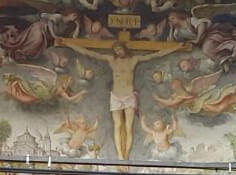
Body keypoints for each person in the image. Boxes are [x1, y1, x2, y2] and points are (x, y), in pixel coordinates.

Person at [60, 37, 189, 159]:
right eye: (116, 50)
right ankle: (120, 157)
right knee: (117, 126)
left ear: (124, 49)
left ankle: (126, 155)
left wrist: (176, 47)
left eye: (120, 49)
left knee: (128, 127)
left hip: (129, 95)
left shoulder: (133, 60)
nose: (118, 52)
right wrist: (68, 43)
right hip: (115, 96)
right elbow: (89, 53)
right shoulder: (112, 60)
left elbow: (156, 55)